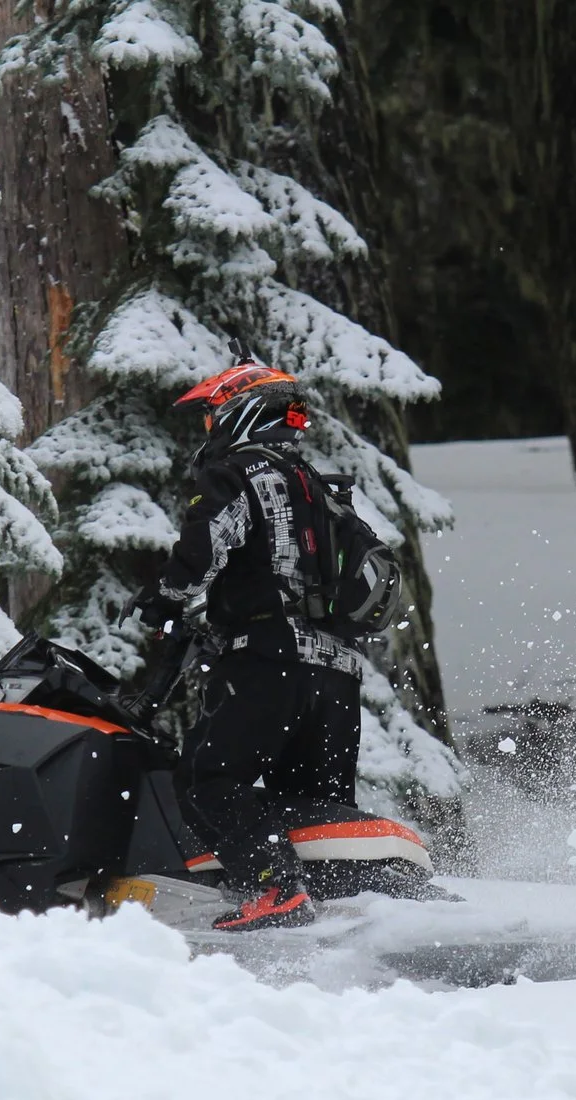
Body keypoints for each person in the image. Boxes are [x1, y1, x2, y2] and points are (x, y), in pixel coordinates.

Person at [131, 363, 398, 932]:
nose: (209, 428)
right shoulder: (317, 486)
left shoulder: (241, 472)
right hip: (337, 672)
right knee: (312, 813)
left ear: (240, 411)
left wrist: (163, 599)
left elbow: (205, 546)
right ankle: (351, 915)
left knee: (205, 780)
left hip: (269, 658)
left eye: (212, 416)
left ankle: (273, 888)